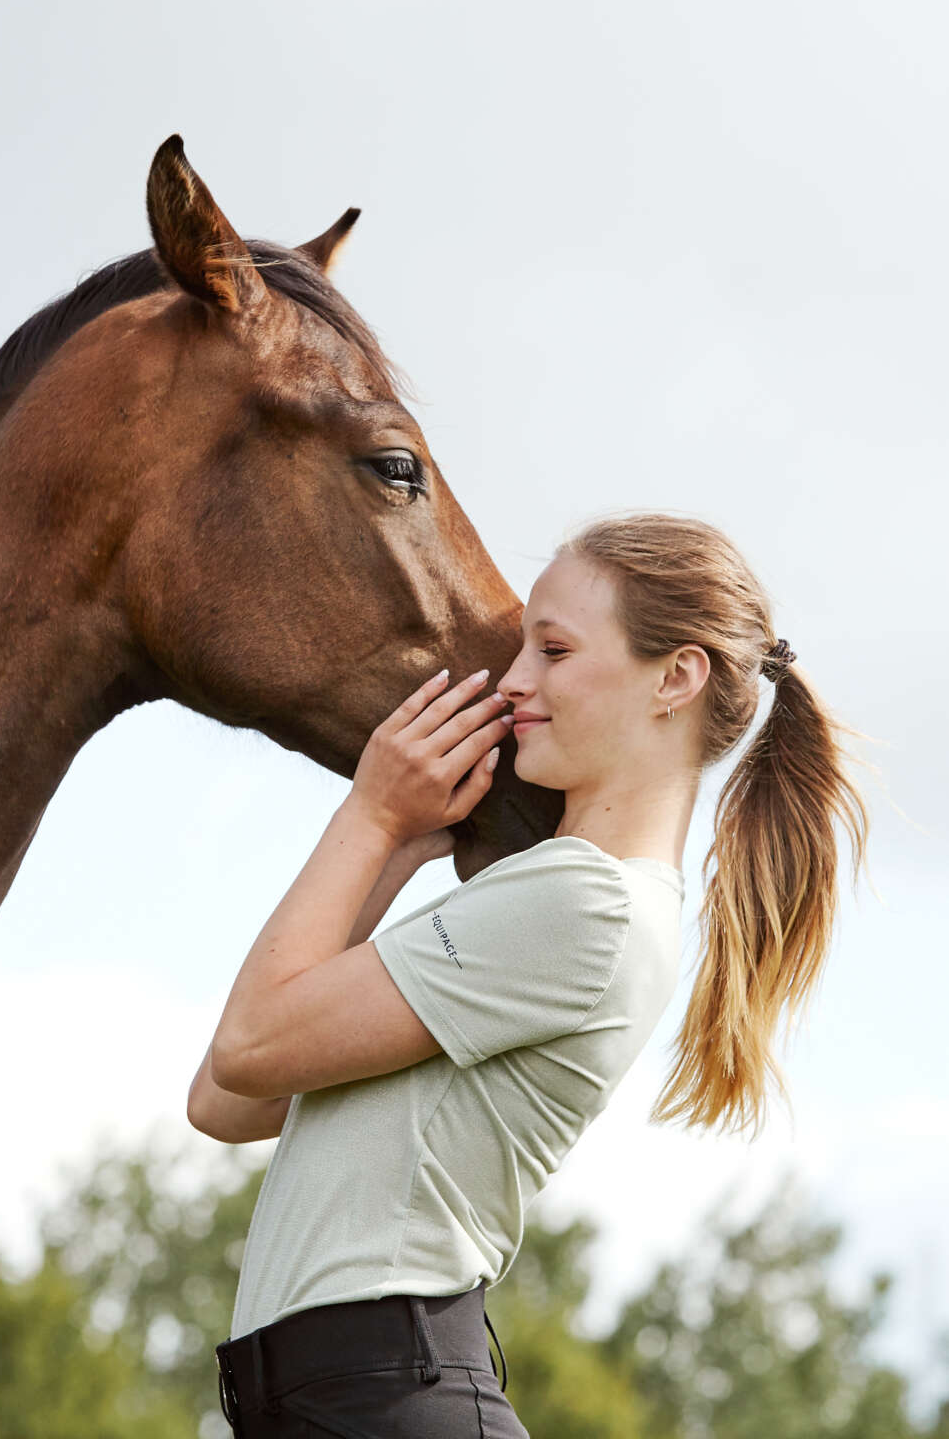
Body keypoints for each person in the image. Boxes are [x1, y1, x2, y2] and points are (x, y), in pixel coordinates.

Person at [189, 510, 871, 1437]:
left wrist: (372, 816)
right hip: (334, 1400)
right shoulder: (554, 901)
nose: (512, 681)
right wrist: (398, 847)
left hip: (379, 1399)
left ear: (675, 678)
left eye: (552, 650)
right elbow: (226, 1099)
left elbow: (247, 1045)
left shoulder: (583, 902)